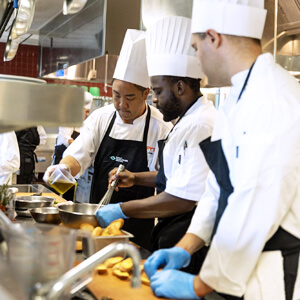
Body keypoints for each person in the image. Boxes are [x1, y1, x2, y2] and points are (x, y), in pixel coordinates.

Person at [143, 1, 300, 299]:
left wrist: (199, 284)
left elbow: (257, 199)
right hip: (236, 267)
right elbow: (217, 188)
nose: (197, 59)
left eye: (196, 47)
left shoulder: (273, 98)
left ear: (214, 38)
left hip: (272, 274)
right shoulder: (236, 100)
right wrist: (186, 246)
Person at [96, 16, 216, 274]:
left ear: (181, 87)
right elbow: (176, 178)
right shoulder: (186, 121)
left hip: (190, 238)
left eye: (159, 92)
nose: (155, 100)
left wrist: (122, 210)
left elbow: (183, 199)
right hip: (175, 231)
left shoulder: (201, 124)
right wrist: (136, 178)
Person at [43, 29, 172, 251]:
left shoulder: (161, 127)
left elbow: (167, 177)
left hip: (138, 228)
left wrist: (136, 177)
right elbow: (79, 154)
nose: (122, 104)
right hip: (96, 223)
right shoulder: (101, 118)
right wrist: (63, 169)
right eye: (116, 95)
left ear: (146, 93)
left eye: (129, 97)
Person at [52, 91, 93, 165]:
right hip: (62, 159)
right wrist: (81, 148)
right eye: (85, 111)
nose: (86, 114)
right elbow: (67, 139)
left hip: (74, 160)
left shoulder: (85, 124)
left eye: (88, 112)